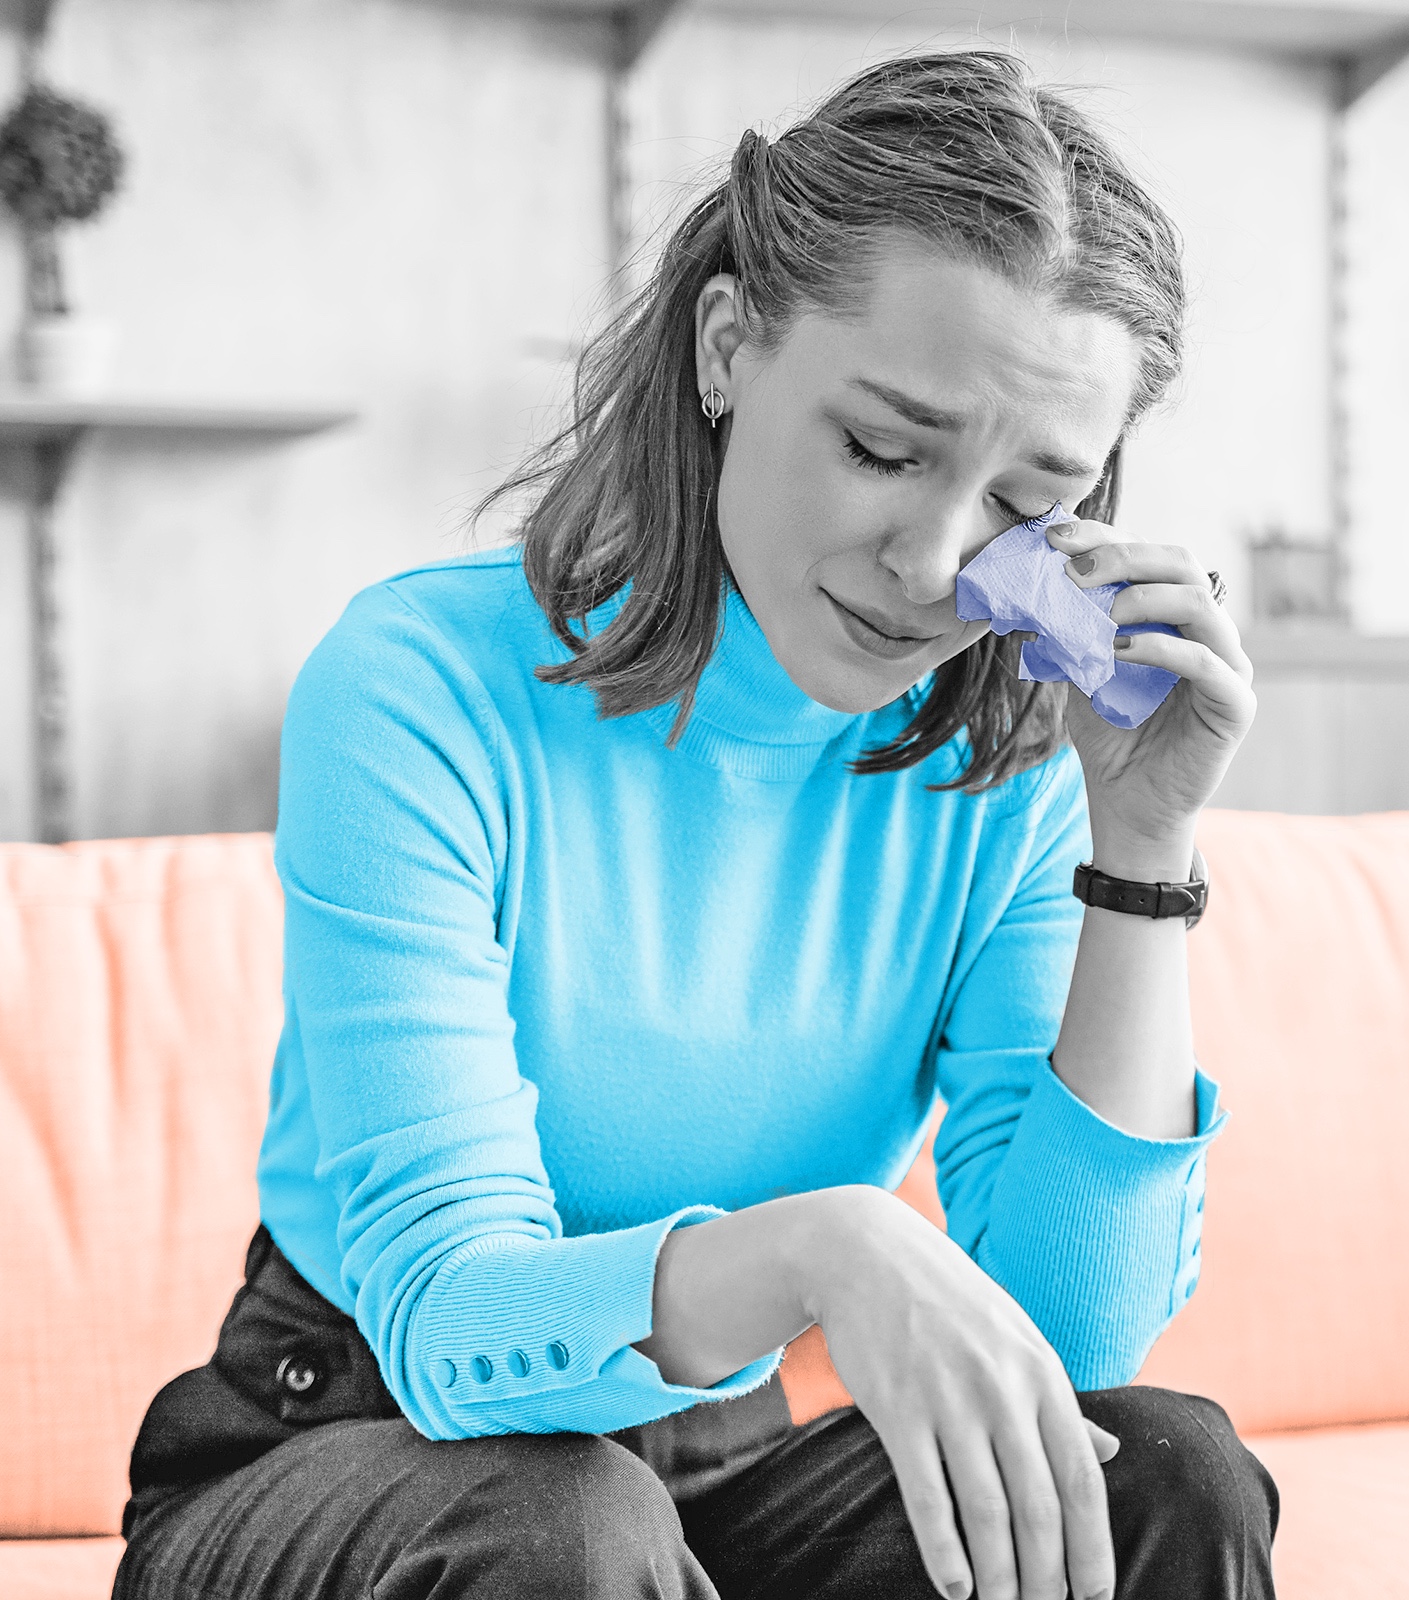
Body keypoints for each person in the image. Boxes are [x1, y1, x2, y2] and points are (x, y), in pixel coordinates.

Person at [113, 48, 1274, 1600]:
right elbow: (454, 1325)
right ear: (729, 348)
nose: (936, 561)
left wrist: (1141, 851)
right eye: (882, 447)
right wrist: (824, 1248)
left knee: (1164, 1474)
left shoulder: (997, 775)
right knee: (565, 1527)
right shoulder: (418, 690)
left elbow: (1069, 1341)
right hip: (356, 1455)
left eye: (1024, 503)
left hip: (711, 1471)